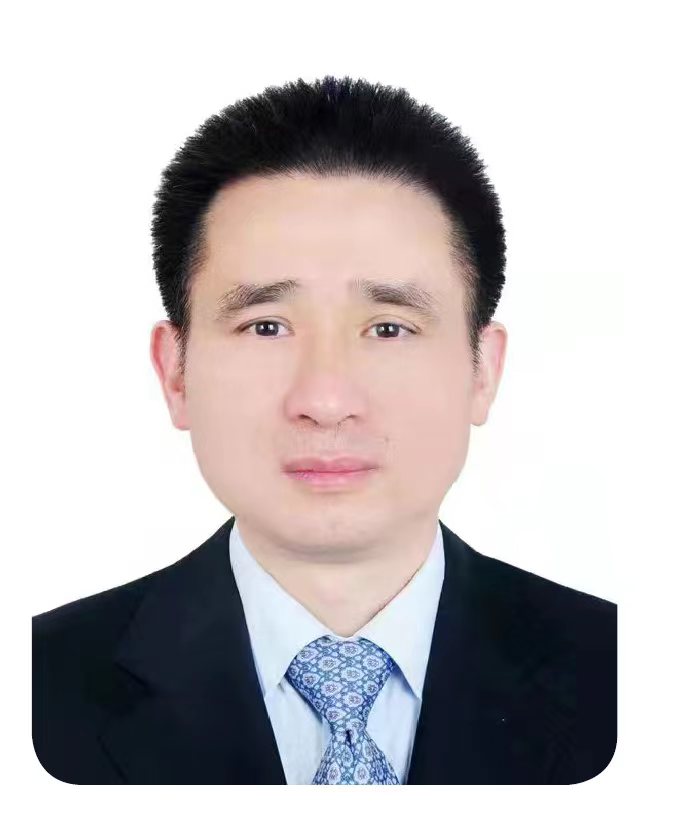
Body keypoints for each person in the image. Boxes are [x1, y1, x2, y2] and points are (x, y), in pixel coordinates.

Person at [32, 74, 616, 785]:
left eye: (389, 328)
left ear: (482, 370)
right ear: (176, 372)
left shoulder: (632, 676)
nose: (326, 399)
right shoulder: (35, 690)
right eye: (266, 326)